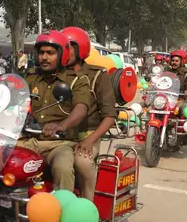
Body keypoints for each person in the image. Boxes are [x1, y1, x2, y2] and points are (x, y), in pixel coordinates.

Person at [20, 30, 92, 192]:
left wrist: (62, 125)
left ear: (62, 55)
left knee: (63, 168)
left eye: (50, 53)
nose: (44, 57)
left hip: (59, 144)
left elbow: (81, 108)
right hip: (30, 140)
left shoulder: (76, 80)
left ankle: (62, 211)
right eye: (41, 53)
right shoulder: (31, 77)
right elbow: (12, 98)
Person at [62, 27, 115, 201]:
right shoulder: (55, 73)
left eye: (68, 47)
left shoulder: (98, 75)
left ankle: (87, 207)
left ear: (80, 49)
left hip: (87, 134)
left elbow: (109, 116)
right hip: (59, 134)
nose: (63, 51)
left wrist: (90, 140)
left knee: (83, 163)